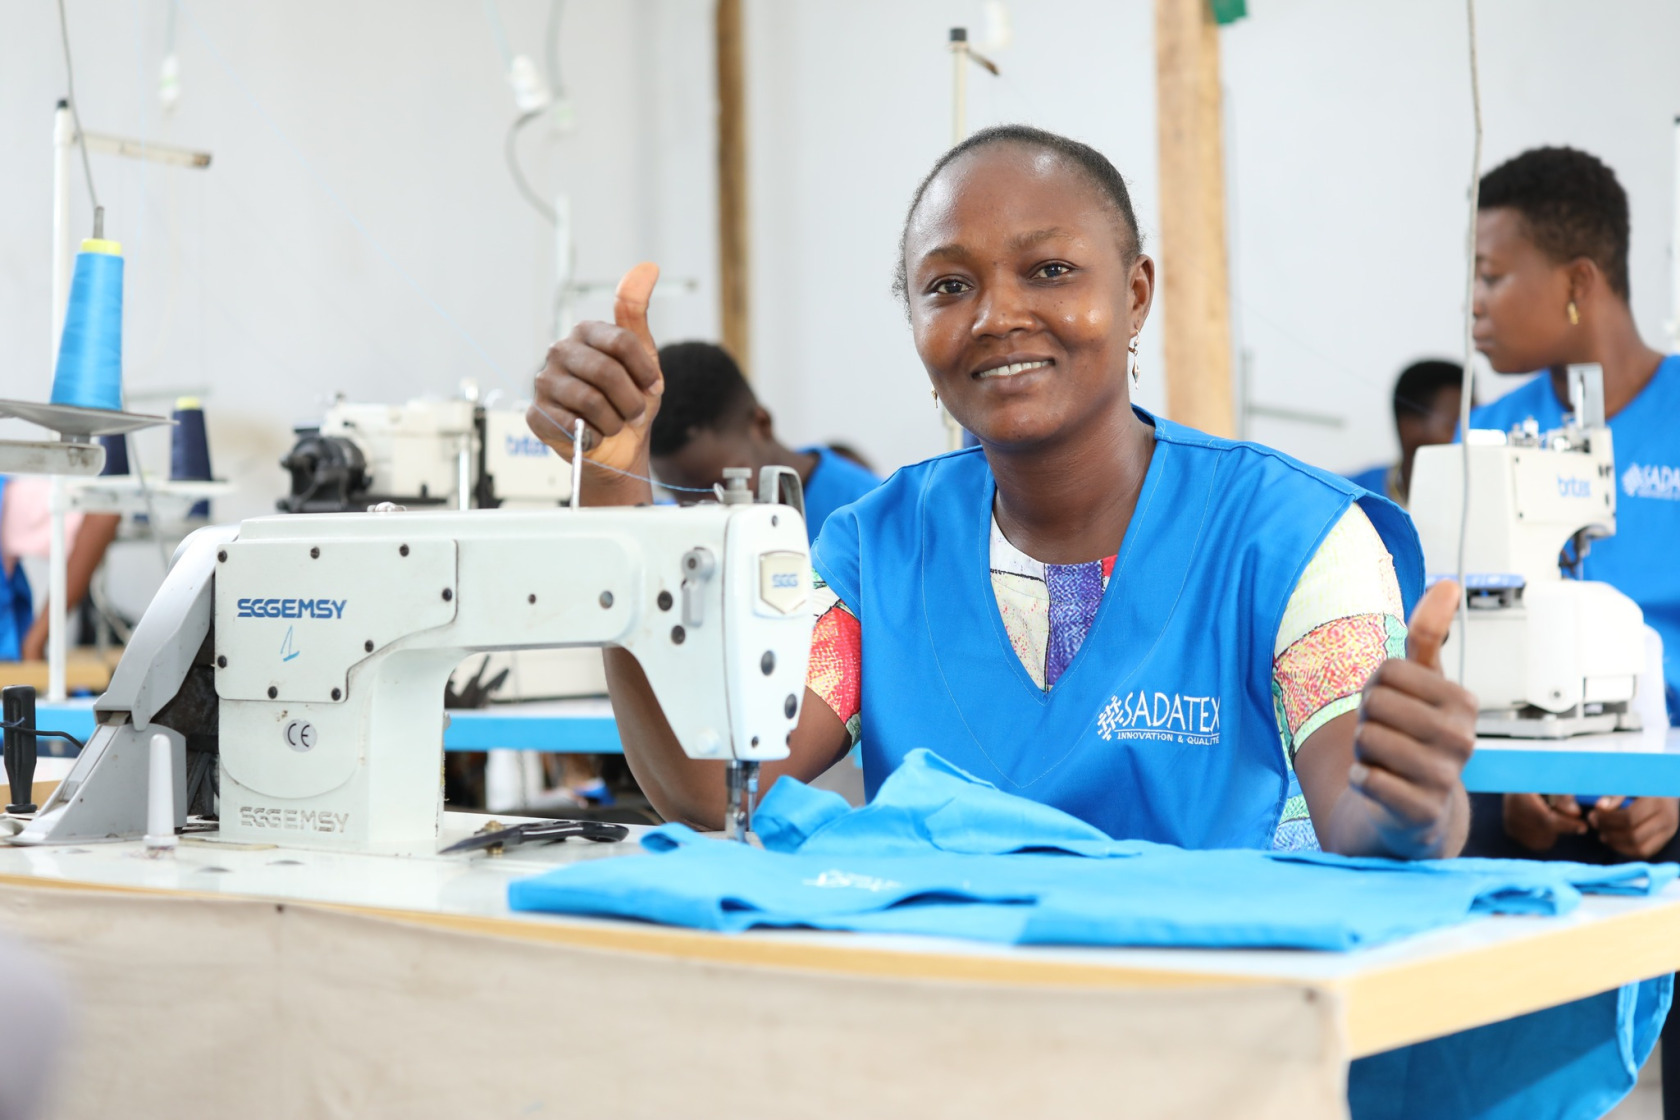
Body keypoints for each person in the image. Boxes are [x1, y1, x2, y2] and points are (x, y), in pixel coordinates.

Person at [530, 124, 1475, 862]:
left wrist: (1417, 799)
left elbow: (1366, 818)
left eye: (1050, 270)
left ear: (1135, 295)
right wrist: (610, 490)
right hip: (961, 1012)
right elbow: (715, 791)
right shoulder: (876, 551)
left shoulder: (1293, 536)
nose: (997, 315)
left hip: (1218, 1013)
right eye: (948, 286)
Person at [1458, 144, 1680, 1119]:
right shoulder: (1487, 435)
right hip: (1532, 798)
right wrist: (1513, 786)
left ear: (1579, 284)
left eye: (1493, 276)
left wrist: (1673, 782)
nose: (1474, 303)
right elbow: (1460, 637)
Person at [650, 341, 881, 542]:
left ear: (761, 424)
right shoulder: (665, 519)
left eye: (725, 485)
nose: (702, 511)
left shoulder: (871, 516)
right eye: (677, 493)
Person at [1345, 359, 1470, 507]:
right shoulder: (1347, 501)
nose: (1471, 437)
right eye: (1459, 425)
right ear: (1411, 427)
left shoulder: (1483, 500)